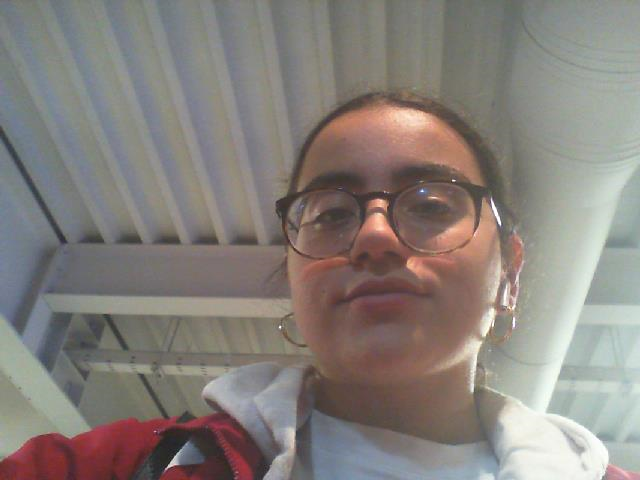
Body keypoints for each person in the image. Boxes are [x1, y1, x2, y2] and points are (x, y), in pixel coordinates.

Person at [1, 91, 637, 479]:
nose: (374, 236)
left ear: (510, 275)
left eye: (430, 204)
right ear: (295, 276)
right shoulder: (113, 466)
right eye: (332, 213)